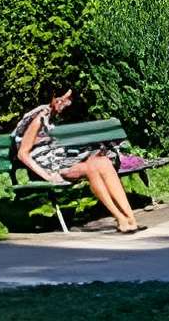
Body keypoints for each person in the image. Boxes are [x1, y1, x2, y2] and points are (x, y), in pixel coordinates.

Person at [15, 83, 142, 235]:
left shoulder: (53, 115)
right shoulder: (39, 118)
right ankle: (119, 218)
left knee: (103, 162)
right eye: (64, 99)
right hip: (48, 167)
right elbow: (22, 153)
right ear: (54, 99)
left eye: (69, 99)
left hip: (61, 160)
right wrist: (47, 176)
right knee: (91, 168)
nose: (68, 103)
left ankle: (131, 218)